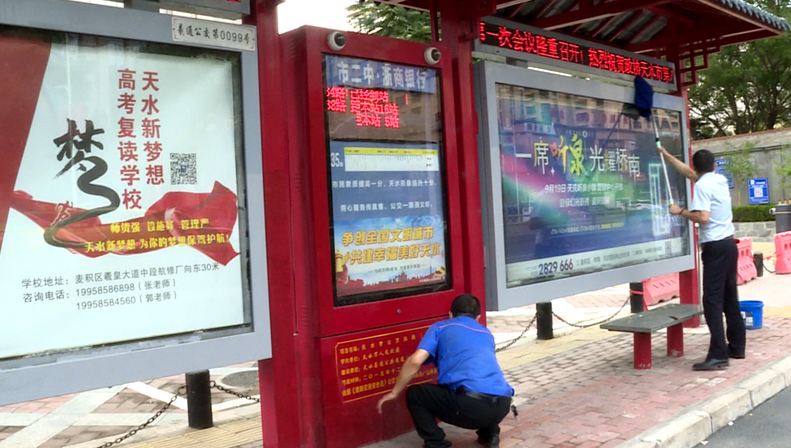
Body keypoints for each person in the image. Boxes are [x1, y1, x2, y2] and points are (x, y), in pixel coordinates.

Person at [376, 294, 513, 448]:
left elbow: (415, 360)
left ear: (450, 314)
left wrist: (395, 392)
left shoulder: (440, 328)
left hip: (471, 407)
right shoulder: (486, 333)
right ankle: (490, 435)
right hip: (503, 406)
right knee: (482, 385)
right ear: (478, 317)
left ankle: (436, 443)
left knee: (416, 394)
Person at [657, 147, 746, 371]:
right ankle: (736, 346)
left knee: (712, 301)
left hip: (715, 247)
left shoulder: (702, 186)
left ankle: (718, 355)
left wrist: (679, 211)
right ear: (714, 166)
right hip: (729, 244)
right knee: (729, 297)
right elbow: (690, 173)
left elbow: (703, 217)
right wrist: (667, 156)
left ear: (696, 167)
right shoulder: (719, 180)